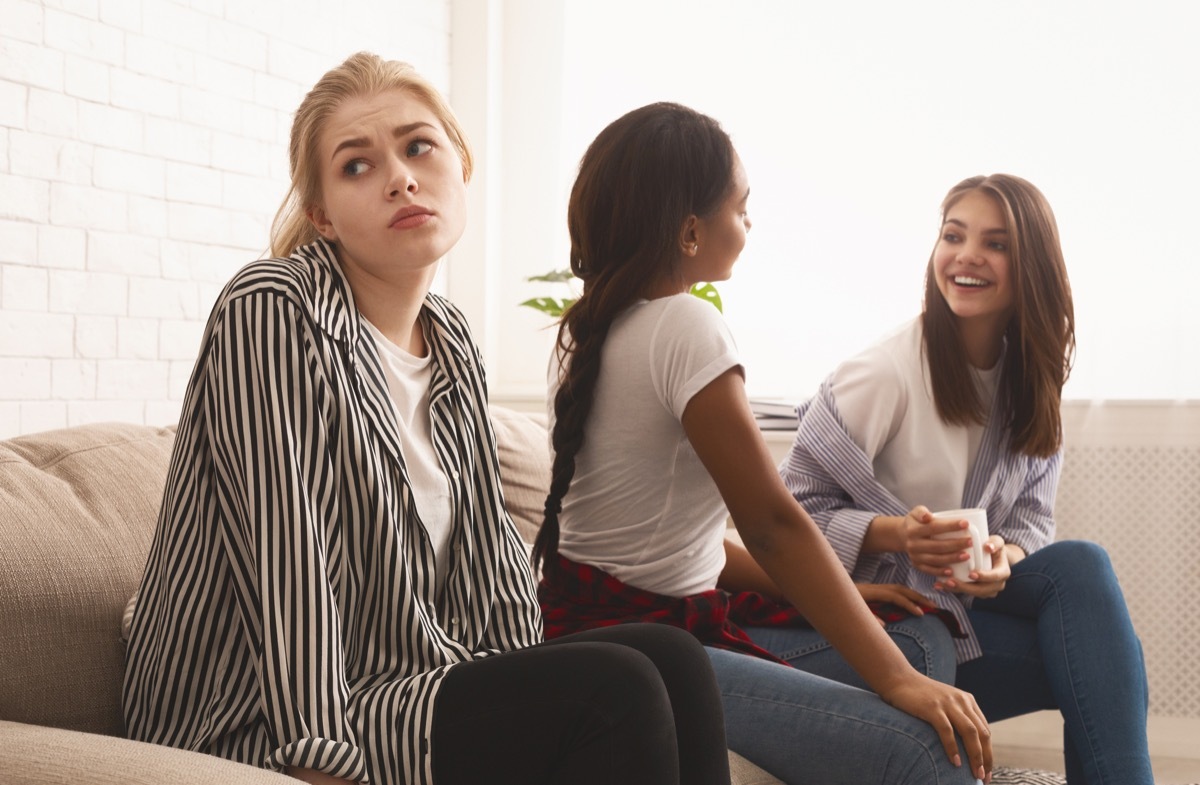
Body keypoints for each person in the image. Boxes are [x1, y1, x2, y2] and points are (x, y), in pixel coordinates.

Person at [121, 52, 731, 785]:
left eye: (418, 147)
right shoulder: (274, 308)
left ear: (459, 165)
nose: (401, 177)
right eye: (356, 166)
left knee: (673, 659)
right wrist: (320, 756)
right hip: (255, 714)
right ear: (322, 213)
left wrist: (531, 674)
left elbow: (485, 555)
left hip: (398, 687)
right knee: (617, 689)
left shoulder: (450, 341)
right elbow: (287, 549)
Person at [533, 101, 992, 785]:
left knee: (921, 638)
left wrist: (853, 588)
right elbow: (775, 524)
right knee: (926, 741)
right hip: (647, 653)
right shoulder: (686, 327)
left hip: (604, 630)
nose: (750, 223)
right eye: (741, 207)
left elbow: (677, 547)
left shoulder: (595, 329)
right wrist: (894, 682)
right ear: (690, 230)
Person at [781, 174, 1152, 784]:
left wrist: (1003, 556)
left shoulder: (1030, 378)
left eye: (996, 243)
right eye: (954, 235)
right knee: (1108, 656)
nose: (967, 255)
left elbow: (1031, 519)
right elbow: (787, 520)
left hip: (959, 603)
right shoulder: (883, 374)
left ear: (1030, 265)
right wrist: (893, 534)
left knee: (1080, 570)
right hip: (884, 620)